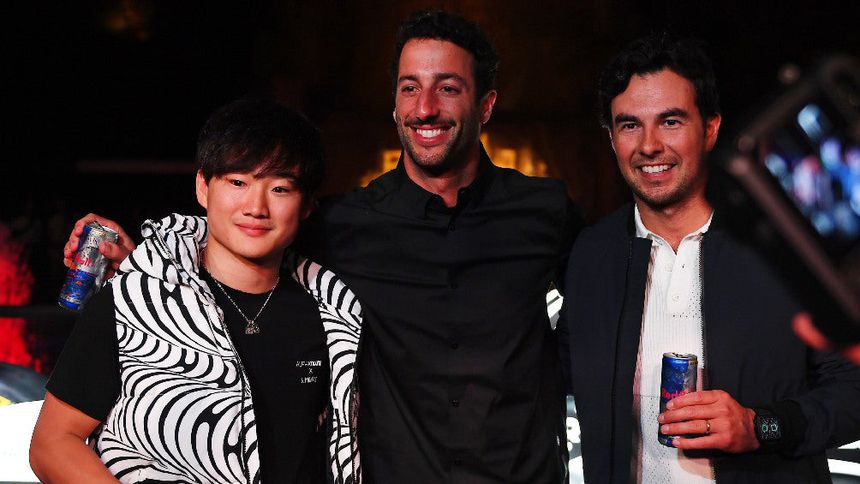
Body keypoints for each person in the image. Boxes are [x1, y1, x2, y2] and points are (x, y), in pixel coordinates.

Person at [61, 10, 582, 483]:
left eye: (447, 88)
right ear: (394, 105)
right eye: (409, 88)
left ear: (486, 104)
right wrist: (142, 261)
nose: (425, 107)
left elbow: (610, 292)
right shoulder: (342, 222)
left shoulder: (545, 211)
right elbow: (242, 234)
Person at [559, 34, 860, 483]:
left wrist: (761, 427)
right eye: (629, 125)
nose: (649, 145)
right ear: (611, 138)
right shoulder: (592, 254)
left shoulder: (779, 248)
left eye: (670, 121)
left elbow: (852, 390)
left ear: (711, 128)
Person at [30, 99, 363, 483]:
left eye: (280, 188)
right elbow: (53, 443)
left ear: (306, 206)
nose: (256, 207)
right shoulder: (136, 300)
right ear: (203, 187)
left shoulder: (331, 314)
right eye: (237, 182)